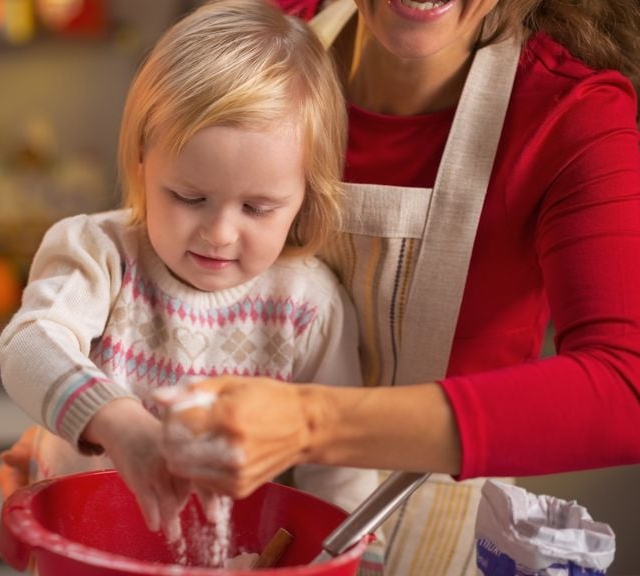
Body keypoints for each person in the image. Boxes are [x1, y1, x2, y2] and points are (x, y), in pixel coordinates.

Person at [155, 0, 640, 574]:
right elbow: (152, 263)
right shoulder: (263, 43)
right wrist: (91, 420)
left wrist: (310, 424)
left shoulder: (569, 115)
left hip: (432, 537)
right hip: (206, 517)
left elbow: (625, 388)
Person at [0, 0, 378, 549]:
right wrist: (118, 422)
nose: (220, 232)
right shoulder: (100, 254)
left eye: (257, 208)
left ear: (305, 197)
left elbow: (338, 471)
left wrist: (344, 559)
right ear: (142, 161)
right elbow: (29, 345)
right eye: (189, 197)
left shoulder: (308, 307)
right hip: (87, 551)